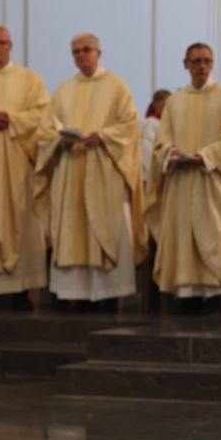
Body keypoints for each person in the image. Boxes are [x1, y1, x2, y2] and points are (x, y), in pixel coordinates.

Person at [34, 32, 145, 308]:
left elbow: (130, 127)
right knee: (72, 229)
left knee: (103, 228)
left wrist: (103, 136)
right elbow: (45, 131)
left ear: (99, 53)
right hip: (70, 173)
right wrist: (59, 141)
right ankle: (77, 296)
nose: (81, 56)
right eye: (76, 52)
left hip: (104, 172)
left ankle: (106, 296)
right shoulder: (63, 91)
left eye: (86, 50)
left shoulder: (117, 87)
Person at [146, 43, 221, 306]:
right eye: (196, 61)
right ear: (185, 64)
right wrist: (170, 153)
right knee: (182, 238)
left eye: (207, 61)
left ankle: (213, 297)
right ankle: (184, 297)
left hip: (212, 181)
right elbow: (161, 142)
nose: (201, 67)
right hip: (180, 183)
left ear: (213, 64)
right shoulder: (175, 101)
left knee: (214, 236)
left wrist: (205, 155)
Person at [0, 25, 49, 307]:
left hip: (16, 165)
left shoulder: (29, 79)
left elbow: (42, 116)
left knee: (21, 219)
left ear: (10, 46)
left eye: (1, 43)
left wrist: (12, 120)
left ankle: (22, 291)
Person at [141, 89, 170, 181]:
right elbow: (147, 150)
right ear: (155, 105)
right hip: (152, 175)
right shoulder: (151, 123)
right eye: (163, 106)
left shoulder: (168, 125)